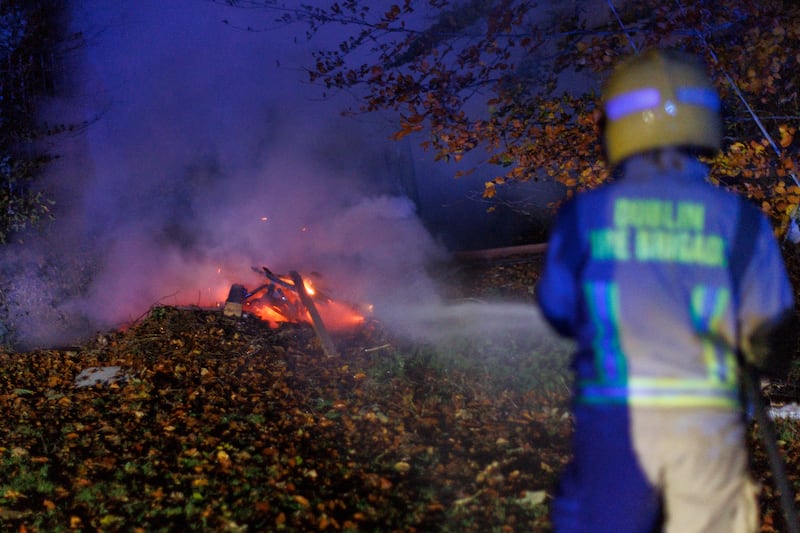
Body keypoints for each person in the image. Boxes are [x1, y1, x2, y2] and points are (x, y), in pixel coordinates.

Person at [535, 48, 797, 533]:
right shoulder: (743, 222)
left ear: (614, 127)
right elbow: (773, 333)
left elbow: (557, 309)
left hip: (614, 427)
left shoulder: (585, 216)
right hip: (706, 429)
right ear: (707, 121)